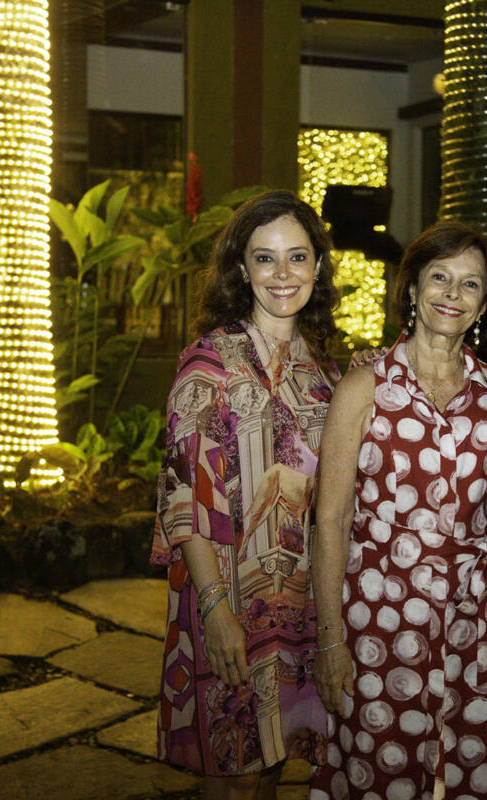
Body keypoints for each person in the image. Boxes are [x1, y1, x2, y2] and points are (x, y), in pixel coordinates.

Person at [309, 221, 487, 800]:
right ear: (412, 289)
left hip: (476, 629)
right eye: (440, 277)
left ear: (483, 306)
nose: (453, 294)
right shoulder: (364, 387)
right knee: (378, 770)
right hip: (378, 622)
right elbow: (330, 520)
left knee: (469, 772)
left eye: (470, 284)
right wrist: (329, 641)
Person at [151, 190, 341, 800]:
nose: (283, 274)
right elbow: (184, 494)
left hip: (301, 599)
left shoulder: (325, 369)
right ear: (241, 268)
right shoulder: (210, 363)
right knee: (232, 771)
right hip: (229, 594)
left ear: (317, 265)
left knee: (272, 767)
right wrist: (214, 609)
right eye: (265, 258)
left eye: (297, 257)